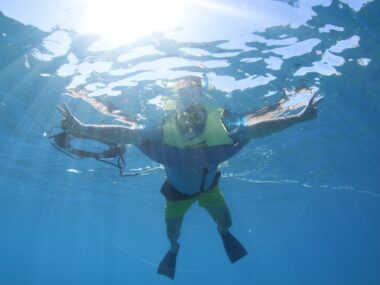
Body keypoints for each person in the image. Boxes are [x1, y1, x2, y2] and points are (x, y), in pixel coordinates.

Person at [57, 76, 323, 279]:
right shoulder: (161, 135)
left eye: (196, 116)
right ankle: (174, 250)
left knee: (226, 223)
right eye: (185, 117)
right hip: (177, 194)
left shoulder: (221, 134)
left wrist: (298, 118)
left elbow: (258, 129)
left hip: (209, 189)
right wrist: (82, 129)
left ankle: (222, 232)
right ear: (176, 116)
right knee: (173, 232)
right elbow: (124, 133)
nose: (190, 123)